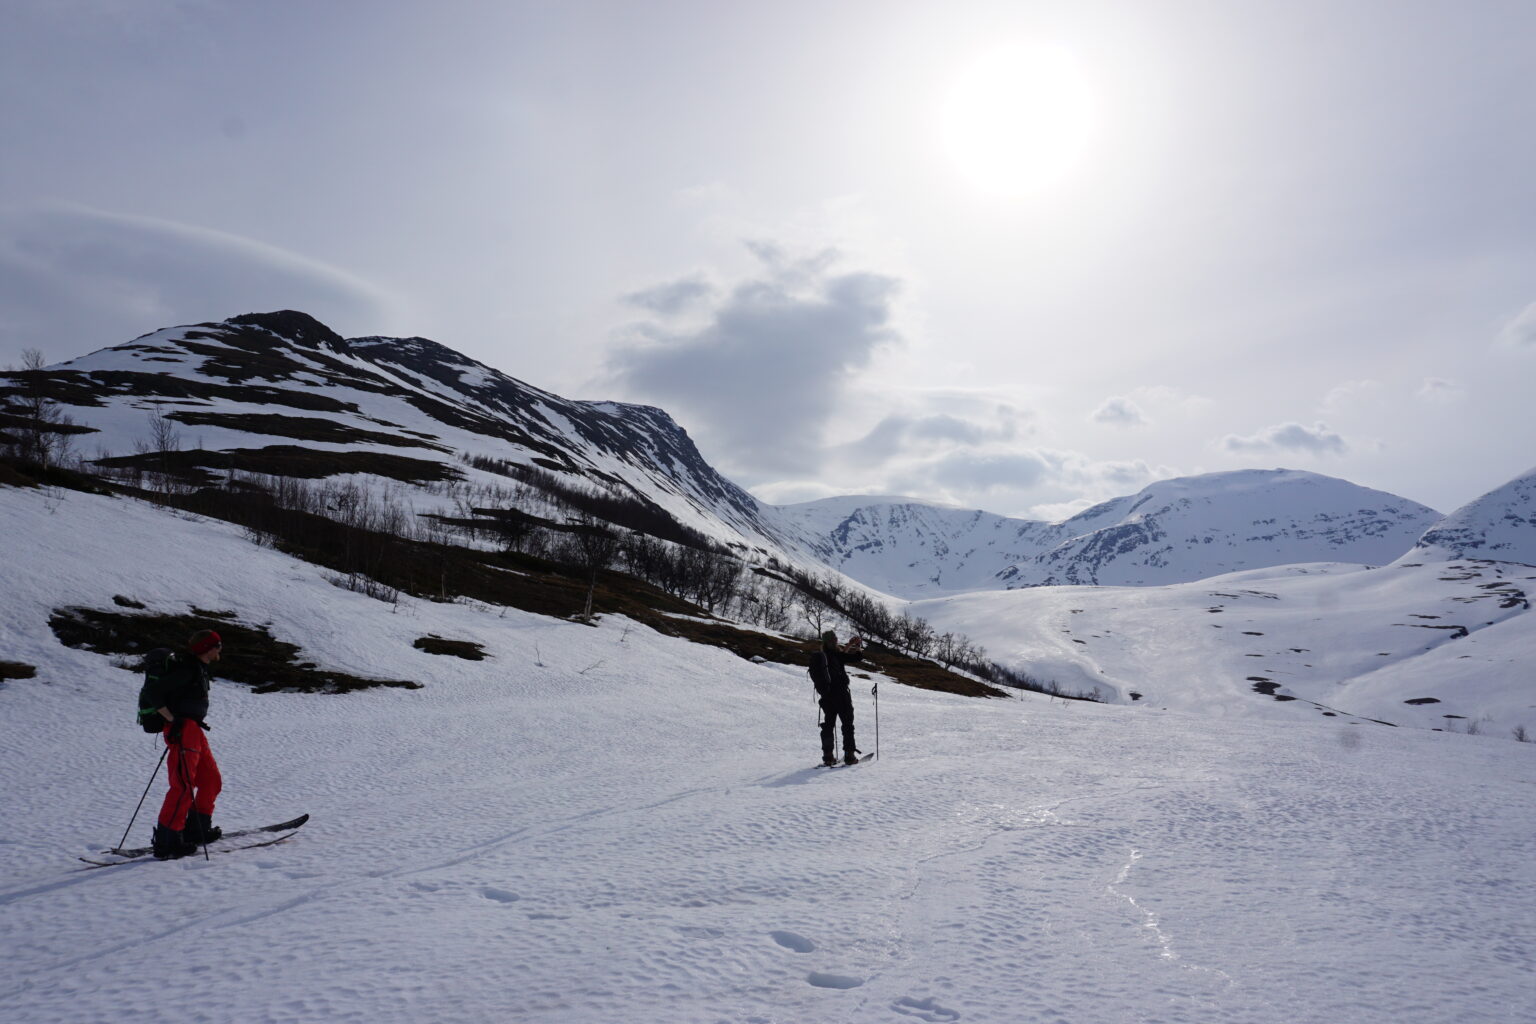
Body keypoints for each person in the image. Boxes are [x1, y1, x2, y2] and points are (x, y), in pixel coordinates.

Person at [145, 629, 224, 859]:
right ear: (206, 648)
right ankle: (167, 841)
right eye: (217, 645)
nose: (220, 649)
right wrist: (172, 719)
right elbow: (153, 692)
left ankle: (196, 830)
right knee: (183, 786)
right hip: (182, 730)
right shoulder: (188, 668)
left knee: (211, 780)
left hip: (195, 730)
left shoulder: (198, 668)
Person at [810, 630, 865, 766]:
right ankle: (849, 756)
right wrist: (858, 646)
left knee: (828, 725)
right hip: (841, 695)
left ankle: (828, 756)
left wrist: (848, 645)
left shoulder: (823, 655)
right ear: (832, 641)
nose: (836, 640)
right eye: (835, 638)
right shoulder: (836, 654)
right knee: (847, 724)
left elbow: (840, 658)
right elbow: (857, 657)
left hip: (827, 696)